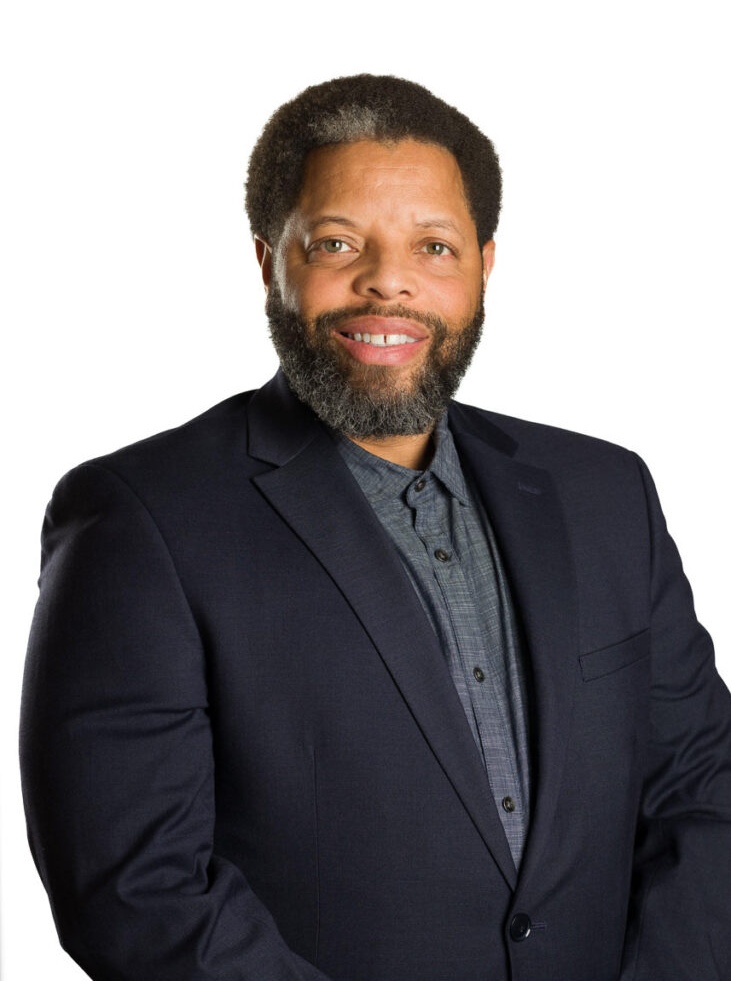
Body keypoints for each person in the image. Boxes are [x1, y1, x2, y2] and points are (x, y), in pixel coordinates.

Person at [20, 74, 731, 981]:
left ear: (483, 263)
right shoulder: (140, 517)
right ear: (267, 258)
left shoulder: (605, 491)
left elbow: (699, 790)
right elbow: (136, 887)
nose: (387, 280)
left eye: (433, 245)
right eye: (337, 243)